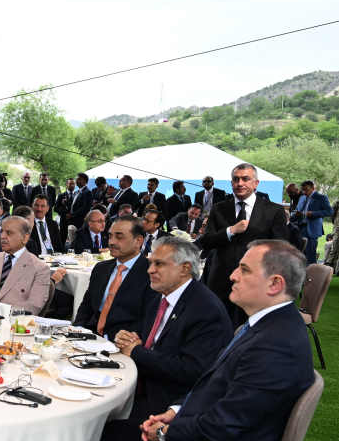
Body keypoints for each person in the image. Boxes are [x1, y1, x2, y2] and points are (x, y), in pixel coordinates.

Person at [86, 240, 314, 441]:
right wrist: (175, 412)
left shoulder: (276, 344)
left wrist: (168, 431)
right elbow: (216, 389)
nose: (232, 275)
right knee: (103, 435)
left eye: (244, 269)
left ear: (275, 284)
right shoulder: (270, 326)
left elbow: (226, 425)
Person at [110, 236, 233, 422]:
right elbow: (155, 343)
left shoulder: (205, 309)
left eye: (159, 264)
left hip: (169, 405)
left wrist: (136, 351)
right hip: (143, 386)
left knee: (101, 426)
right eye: (151, 263)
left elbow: (191, 369)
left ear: (184, 268)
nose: (150, 270)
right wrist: (130, 339)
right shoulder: (162, 298)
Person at [201, 163, 289, 327]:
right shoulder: (218, 208)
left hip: (256, 280)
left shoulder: (273, 211)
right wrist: (230, 230)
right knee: (216, 326)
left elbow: (280, 248)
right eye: (236, 179)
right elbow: (206, 241)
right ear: (231, 183)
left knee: (248, 329)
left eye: (245, 179)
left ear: (256, 183)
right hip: (220, 279)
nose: (240, 183)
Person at [74, 216, 159, 338]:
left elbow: (148, 319)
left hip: (124, 340)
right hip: (91, 335)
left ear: (138, 241)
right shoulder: (101, 268)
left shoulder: (151, 273)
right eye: (110, 236)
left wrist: (116, 339)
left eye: (119, 237)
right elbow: (87, 306)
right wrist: (79, 329)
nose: (111, 242)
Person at [0, 216, 52, 312]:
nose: (2, 236)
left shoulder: (39, 268)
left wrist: (0, 311)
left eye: (9, 233)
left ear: (24, 238)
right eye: (2, 231)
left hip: (14, 320)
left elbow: (34, 305)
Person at [291, 179, 333, 264]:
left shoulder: (321, 197)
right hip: (299, 227)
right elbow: (297, 210)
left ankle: (311, 271)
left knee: (310, 254)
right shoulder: (302, 198)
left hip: (311, 229)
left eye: (306, 190)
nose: (304, 192)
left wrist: (313, 214)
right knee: (298, 253)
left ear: (313, 188)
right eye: (302, 190)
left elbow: (330, 212)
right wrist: (296, 214)